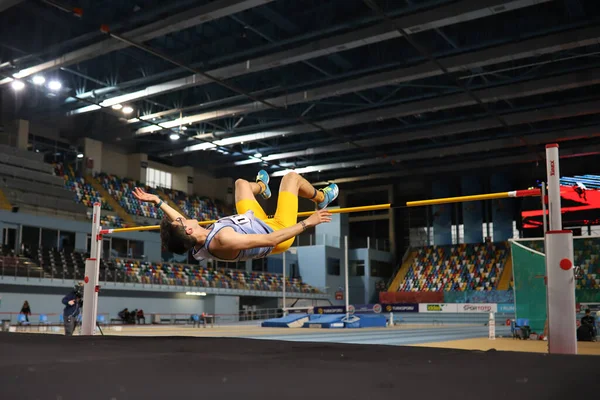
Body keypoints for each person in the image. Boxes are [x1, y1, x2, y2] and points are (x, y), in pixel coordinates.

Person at [132, 170, 338, 262]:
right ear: (188, 229)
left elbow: (177, 221)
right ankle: (321, 197)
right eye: (182, 221)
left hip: (255, 221)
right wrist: (307, 223)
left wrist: (157, 202)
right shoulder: (222, 239)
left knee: (240, 183)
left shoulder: (197, 239)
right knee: (291, 178)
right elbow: (270, 240)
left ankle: (263, 187)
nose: (182, 217)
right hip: (277, 231)